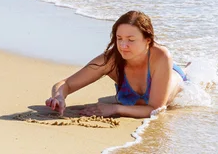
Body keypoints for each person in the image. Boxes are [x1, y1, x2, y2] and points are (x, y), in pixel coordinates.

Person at [45, 10, 187, 118]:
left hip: (173, 75)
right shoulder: (111, 60)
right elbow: (66, 84)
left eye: (131, 40)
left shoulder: (161, 56)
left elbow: (156, 108)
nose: (123, 45)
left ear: (147, 40)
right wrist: (59, 97)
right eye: (119, 38)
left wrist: (114, 108)